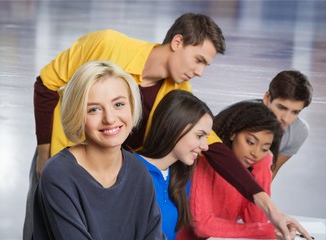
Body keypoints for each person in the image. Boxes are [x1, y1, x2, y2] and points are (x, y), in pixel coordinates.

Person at [25, 12, 312, 240]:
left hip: (112, 176)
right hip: (63, 161)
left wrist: (269, 207)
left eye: (206, 66)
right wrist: (44, 151)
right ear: (177, 42)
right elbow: (47, 84)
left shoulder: (178, 91)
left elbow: (211, 145)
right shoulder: (108, 45)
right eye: (199, 59)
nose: (200, 71)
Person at [32, 61, 165, 239]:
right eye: (94, 109)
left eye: (118, 104)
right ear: (77, 114)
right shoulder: (58, 174)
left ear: (132, 106)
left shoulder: (139, 171)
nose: (110, 119)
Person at [177, 101, 284, 239]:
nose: (256, 153)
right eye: (250, 142)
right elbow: (203, 226)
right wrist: (266, 230)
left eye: (264, 148)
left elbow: (256, 221)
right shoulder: (205, 160)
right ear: (233, 134)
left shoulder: (252, 172)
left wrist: (263, 166)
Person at [135, 90, 214, 239]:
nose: (205, 146)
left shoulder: (182, 179)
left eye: (206, 137)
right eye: (199, 136)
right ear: (171, 125)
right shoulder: (130, 169)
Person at [261, 70, 313, 179]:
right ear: (267, 98)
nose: (286, 119)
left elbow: (270, 171)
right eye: (281, 108)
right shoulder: (240, 116)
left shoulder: (299, 131)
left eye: (295, 112)